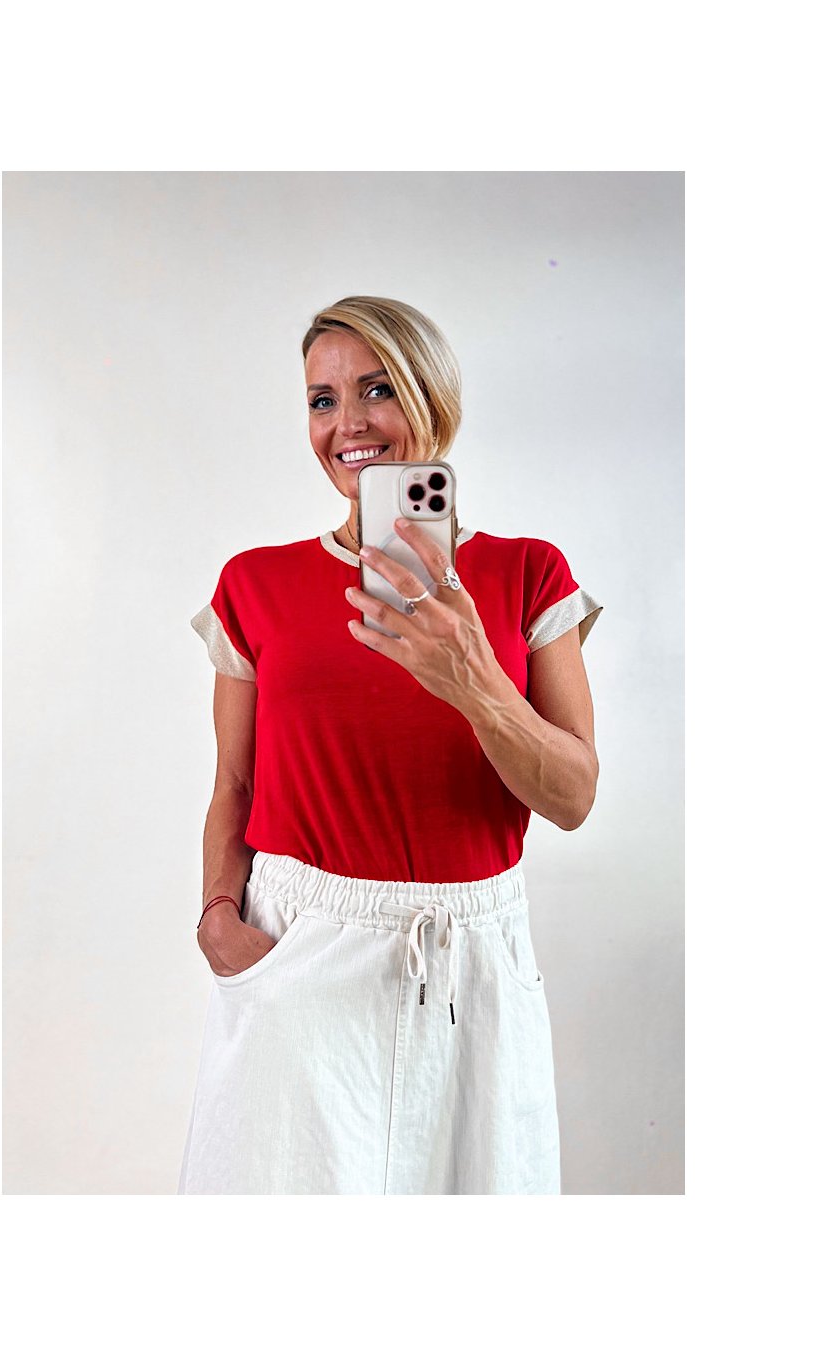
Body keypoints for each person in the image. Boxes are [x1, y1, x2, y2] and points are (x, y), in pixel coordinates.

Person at [178, 296, 602, 1195]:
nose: (348, 424)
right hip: (299, 947)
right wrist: (218, 913)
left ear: (433, 396)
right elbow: (235, 783)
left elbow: (572, 796)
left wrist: (476, 679)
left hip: (472, 964)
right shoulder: (255, 583)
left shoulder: (528, 573)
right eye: (321, 400)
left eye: (377, 389)